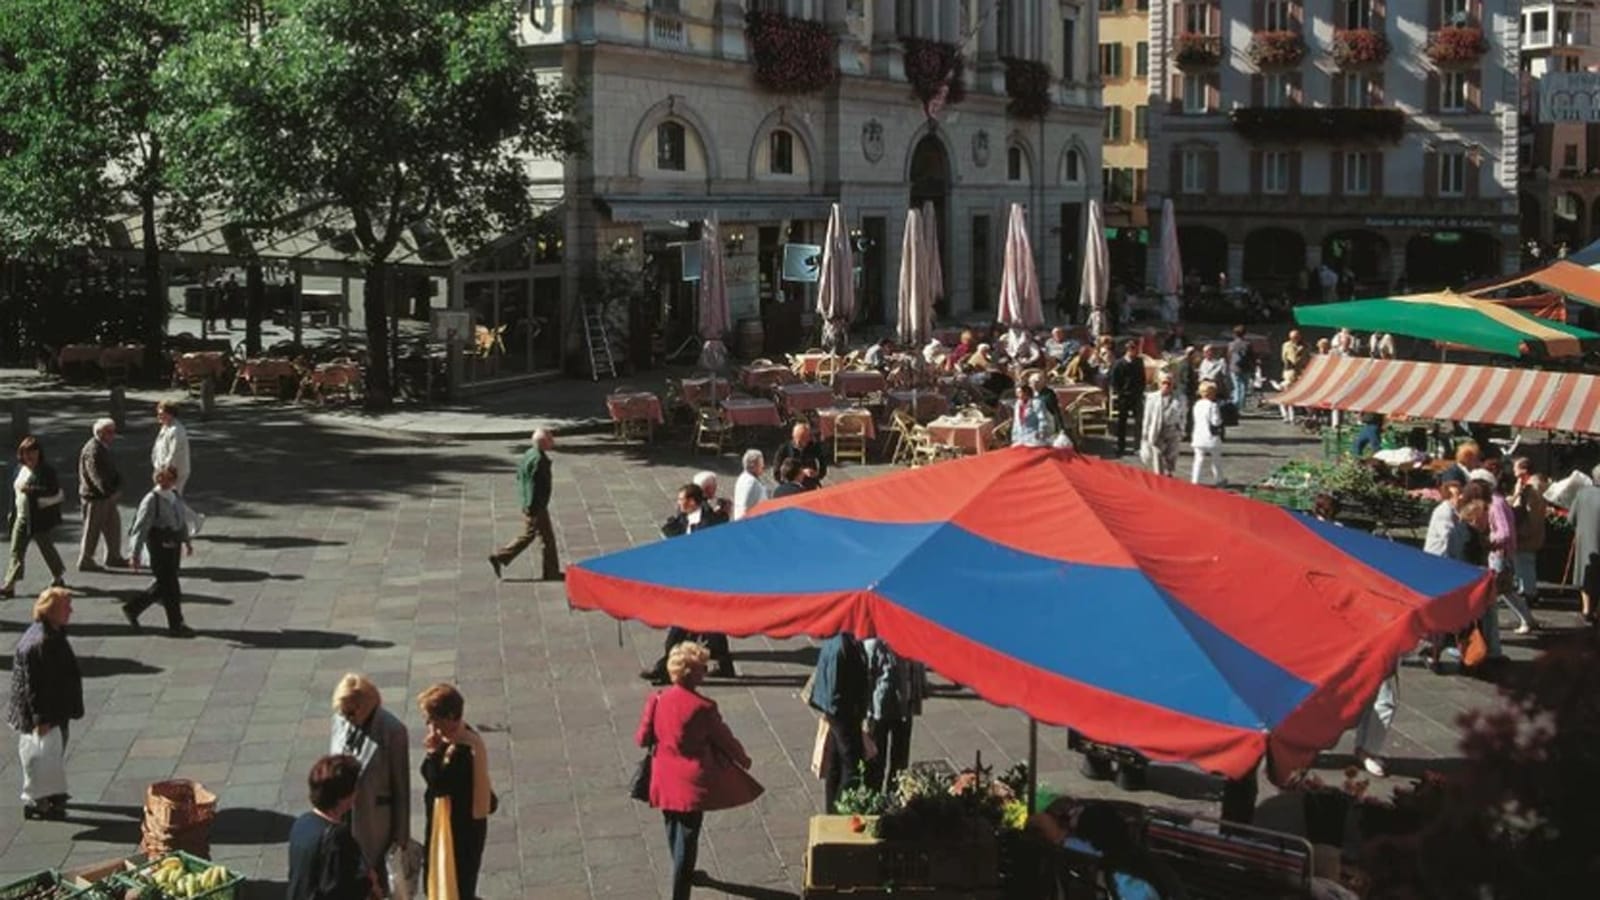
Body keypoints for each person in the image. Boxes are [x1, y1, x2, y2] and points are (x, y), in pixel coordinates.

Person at [637, 641, 761, 900]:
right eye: (701, 667)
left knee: (673, 828)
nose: (705, 671)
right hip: (691, 784)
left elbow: (642, 738)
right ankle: (680, 890)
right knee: (688, 838)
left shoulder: (657, 699)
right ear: (690, 672)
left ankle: (684, 872)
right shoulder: (703, 707)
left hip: (662, 777)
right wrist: (743, 759)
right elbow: (724, 739)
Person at [645, 485, 734, 683]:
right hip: (690, 582)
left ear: (693, 502)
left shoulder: (711, 522)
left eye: (682, 499)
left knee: (678, 632)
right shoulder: (682, 518)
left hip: (705, 585)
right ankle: (725, 665)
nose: (678, 503)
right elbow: (671, 531)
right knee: (713, 629)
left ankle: (665, 669)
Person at [7, 587, 82, 820]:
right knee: (44, 756)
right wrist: (42, 719)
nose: (71, 610)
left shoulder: (48, 633)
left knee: (49, 754)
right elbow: (37, 686)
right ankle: (38, 802)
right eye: (65, 607)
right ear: (51, 611)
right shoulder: (44, 642)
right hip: (47, 712)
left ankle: (51, 796)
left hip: (52, 709)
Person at [329, 674, 410, 886]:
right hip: (343, 817)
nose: (346, 717)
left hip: (374, 822)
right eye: (342, 712)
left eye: (350, 712)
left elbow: (402, 787)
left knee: (375, 882)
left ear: (365, 705)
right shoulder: (341, 719)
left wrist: (401, 838)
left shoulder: (392, 731)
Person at [418, 683, 492, 900]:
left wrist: (432, 754)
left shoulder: (462, 750)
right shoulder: (460, 737)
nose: (430, 726)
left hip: (460, 830)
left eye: (433, 720)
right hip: (455, 824)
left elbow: (438, 784)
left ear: (450, 717)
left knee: (457, 884)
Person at [286, 754, 372, 900]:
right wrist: (369, 882)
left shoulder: (302, 822)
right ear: (343, 798)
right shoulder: (337, 836)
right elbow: (339, 889)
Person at [124, 466, 195, 637]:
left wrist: (186, 541)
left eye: (171, 478)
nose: (168, 481)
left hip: (174, 544)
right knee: (171, 587)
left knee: (164, 585)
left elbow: (181, 521)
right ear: (157, 479)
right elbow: (140, 528)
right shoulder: (151, 500)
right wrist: (134, 554)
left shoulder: (174, 496)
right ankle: (176, 625)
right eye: (164, 478)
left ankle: (133, 608)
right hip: (158, 546)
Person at [1473, 469, 1538, 642]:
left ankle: (1523, 621)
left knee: (1502, 590)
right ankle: (1527, 619)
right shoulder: (1498, 501)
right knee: (1506, 590)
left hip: (1499, 553)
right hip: (1502, 553)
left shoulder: (1495, 504)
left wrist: (1488, 539)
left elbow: (1505, 533)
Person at [488, 429, 561, 582]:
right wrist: (535, 507)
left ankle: (551, 572)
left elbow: (520, 475)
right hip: (535, 505)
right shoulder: (539, 461)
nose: (553, 441)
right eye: (550, 439)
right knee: (539, 538)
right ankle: (501, 556)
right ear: (543, 442)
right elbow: (536, 487)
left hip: (530, 502)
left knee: (540, 537)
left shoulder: (530, 454)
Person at [810, 632, 870, 814]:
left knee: (836, 762)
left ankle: (831, 809)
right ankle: (841, 809)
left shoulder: (837, 641)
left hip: (836, 710)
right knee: (852, 763)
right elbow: (836, 688)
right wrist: (854, 712)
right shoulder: (843, 647)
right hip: (843, 713)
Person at [2, 437, 65, 599]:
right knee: (16, 550)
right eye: (26, 452)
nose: (29, 456)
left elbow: (53, 490)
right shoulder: (19, 469)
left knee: (46, 548)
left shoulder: (46, 471)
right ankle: (9, 585)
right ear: (21, 454)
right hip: (22, 516)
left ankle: (58, 575)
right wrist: (12, 512)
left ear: (39, 453)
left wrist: (32, 490)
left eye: (33, 452)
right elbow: (15, 492)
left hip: (39, 518)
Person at [862, 638, 924, 794]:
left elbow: (916, 670)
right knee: (876, 760)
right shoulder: (875, 644)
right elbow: (867, 676)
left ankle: (895, 795)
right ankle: (873, 796)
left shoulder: (912, 639)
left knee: (901, 760)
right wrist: (865, 710)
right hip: (879, 713)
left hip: (904, 709)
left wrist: (917, 696)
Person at [77, 419, 127, 572]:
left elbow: (111, 471)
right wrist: (109, 492)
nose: (113, 435)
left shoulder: (102, 447)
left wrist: (118, 484)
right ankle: (86, 559)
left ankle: (113, 556)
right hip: (96, 497)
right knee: (92, 529)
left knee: (113, 526)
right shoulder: (93, 450)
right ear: (100, 433)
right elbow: (96, 475)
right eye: (110, 432)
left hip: (105, 496)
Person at [1510, 459, 1547, 614]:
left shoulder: (1531, 488)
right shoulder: (1532, 486)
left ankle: (1528, 592)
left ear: (1524, 470)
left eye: (1515, 468)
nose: (1513, 471)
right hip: (1530, 532)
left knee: (1524, 562)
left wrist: (1523, 531)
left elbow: (1531, 513)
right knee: (1524, 562)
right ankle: (1526, 590)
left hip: (1527, 532)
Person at [1140, 373, 1186, 477]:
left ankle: (1169, 473)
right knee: (1158, 454)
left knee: (1171, 456)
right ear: (1159, 384)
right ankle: (1159, 477)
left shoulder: (1180, 398)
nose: (1166, 385)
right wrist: (1145, 434)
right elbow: (1147, 417)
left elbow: (1183, 414)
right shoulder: (1151, 397)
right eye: (1164, 383)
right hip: (1157, 429)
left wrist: (1181, 430)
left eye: (1169, 383)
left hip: (1173, 430)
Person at [1570, 464, 1600, 625]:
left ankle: (1587, 609)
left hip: (1586, 540)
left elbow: (1571, 518)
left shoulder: (1582, 494)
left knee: (1585, 575)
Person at [1109, 341, 1146, 456]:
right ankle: (1121, 446)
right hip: (1124, 396)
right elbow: (1114, 380)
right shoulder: (1119, 363)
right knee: (1122, 423)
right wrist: (1120, 392)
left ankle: (1137, 446)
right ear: (1127, 350)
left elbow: (1142, 378)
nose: (1133, 352)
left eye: (1134, 349)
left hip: (1136, 396)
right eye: (1131, 349)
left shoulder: (1139, 362)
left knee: (1139, 422)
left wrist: (1140, 391)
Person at [151, 401, 192, 495]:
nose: (158, 416)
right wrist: (156, 465)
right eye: (158, 414)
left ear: (170, 414)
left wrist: (165, 472)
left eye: (161, 414)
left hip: (174, 473)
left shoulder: (176, 430)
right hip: (163, 470)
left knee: (171, 498)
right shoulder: (165, 427)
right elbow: (158, 448)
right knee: (163, 498)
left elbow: (173, 453)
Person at [773, 424, 829, 490]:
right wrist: (789, 482)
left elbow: (823, 463)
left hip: (809, 483)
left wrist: (817, 474)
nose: (805, 441)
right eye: (801, 439)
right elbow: (777, 472)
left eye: (807, 438)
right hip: (791, 486)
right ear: (794, 437)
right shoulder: (784, 449)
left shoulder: (813, 446)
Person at [1190, 382, 1224, 486]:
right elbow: (1215, 421)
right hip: (1210, 437)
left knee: (1198, 459)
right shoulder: (1213, 405)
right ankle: (1219, 479)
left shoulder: (1197, 404)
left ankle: (1195, 479)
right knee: (1216, 459)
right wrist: (1221, 420)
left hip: (1198, 435)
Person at [1279, 330, 1307, 423]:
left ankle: (1293, 415)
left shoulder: (1305, 345)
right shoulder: (1287, 345)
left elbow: (1307, 358)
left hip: (1301, 374)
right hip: (1290, 373)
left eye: (1297, 337)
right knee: (1287, 395)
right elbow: (1292, 360)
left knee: (1297, 396)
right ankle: (1287, 416)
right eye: (1293, 337)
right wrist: (1298, 352)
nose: (1295, 339)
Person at [732, 450, 767, 521]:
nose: (763, 466)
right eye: (761, 463)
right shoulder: (752, 483)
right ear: (753, 466)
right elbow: (748, 509)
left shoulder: (742, 477)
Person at [1225, 325, 1254, 410]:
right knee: (1243, 387)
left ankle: (1235, 405)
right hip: (1246, 368)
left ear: (1234, 334)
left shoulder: (1231, 344)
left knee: (1236, 386)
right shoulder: (1248, 344)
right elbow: (1252, 357)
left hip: (1234, 368)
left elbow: (1228, 356)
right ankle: (1240, 405)